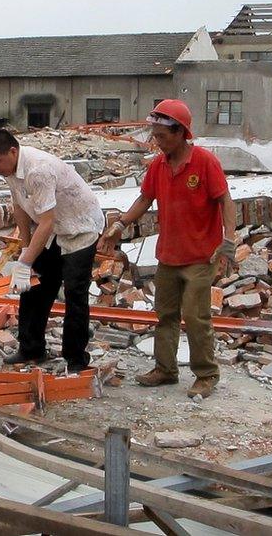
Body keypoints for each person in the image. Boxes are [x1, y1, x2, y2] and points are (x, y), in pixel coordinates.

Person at [98, 99, 237, 398]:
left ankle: (207, 374)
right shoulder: (158, 166)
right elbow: (144, 199)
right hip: (169, 255)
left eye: (162, 136)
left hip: (201, 255)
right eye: (155, 136)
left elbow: (225, 200)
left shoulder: (204, 162)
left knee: (196, 316)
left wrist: (230, 240)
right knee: (165, 315)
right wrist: (120, 224)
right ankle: (165, 369)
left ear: (181, 133)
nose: (157, 142)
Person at [0, 129, 105, 373]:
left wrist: (25, 263)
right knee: (35, 286)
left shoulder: (38, 170)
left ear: (13, 152)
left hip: (80, 226)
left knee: (74, 292)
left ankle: (76, 358)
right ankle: (31, 348)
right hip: (54, 228)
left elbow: (46, 222)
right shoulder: (10, 169)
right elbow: (19, 207)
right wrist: (27, 249)